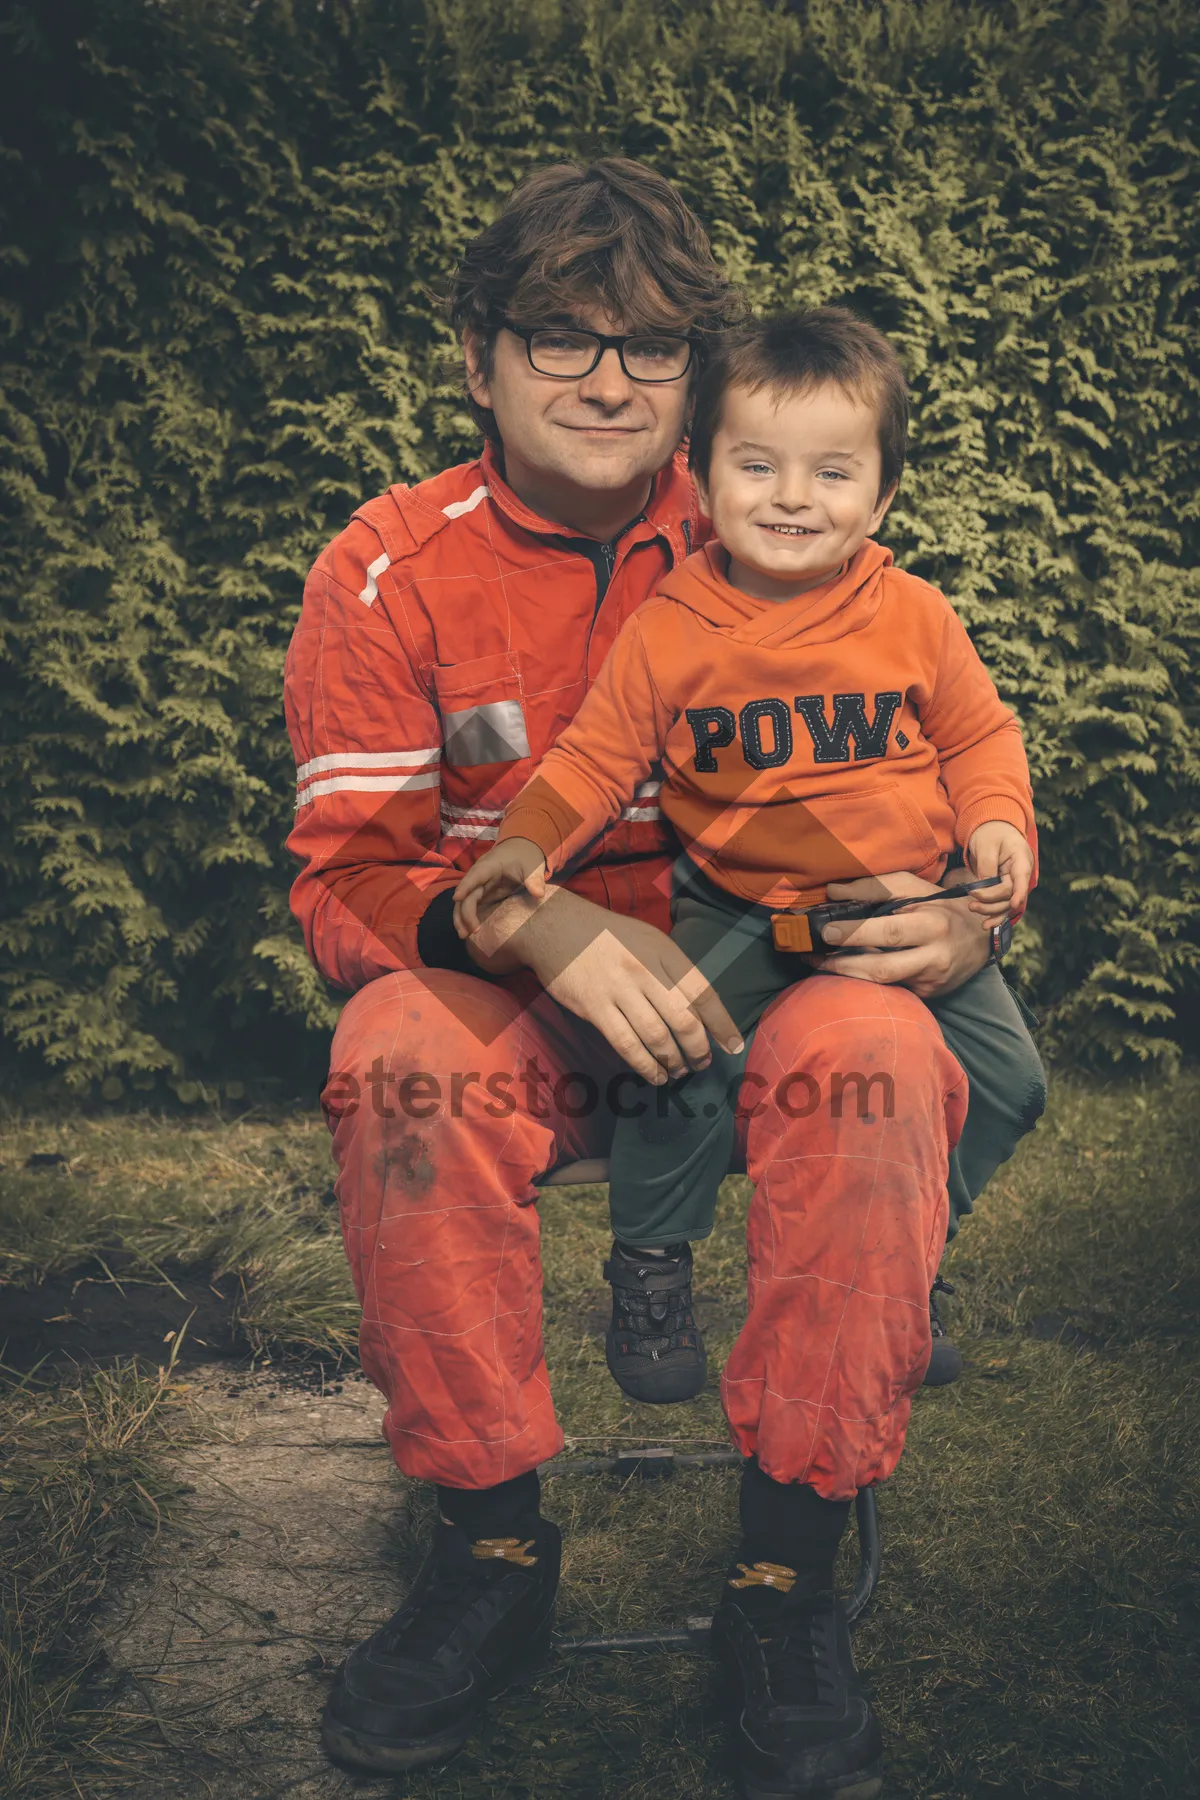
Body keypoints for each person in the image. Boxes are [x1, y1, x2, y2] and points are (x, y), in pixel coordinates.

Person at [284, 159, 1047, 1797]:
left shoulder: (780, 503)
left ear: (700, 378)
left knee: (887, 1058)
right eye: (561, 338)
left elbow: (954, 738)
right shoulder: (386, 571)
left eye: (648, 345)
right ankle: (488, 1553)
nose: (608, 380)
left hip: (771, 982)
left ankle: (785, 1566)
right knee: (398, 1054)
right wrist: (543, 923)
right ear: (476, 356)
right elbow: (347, 877)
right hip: (532, 1014)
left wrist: (973, 916)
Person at [453, 306, 1041, 1421]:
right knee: (677, 1064)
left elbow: (978, 737)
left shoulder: (914, 616)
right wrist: (521, 852)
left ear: (882, 496)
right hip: (738, 909)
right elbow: (588, 763)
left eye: (832, 473)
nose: (789, 496)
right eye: (757, 464)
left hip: (901, 921)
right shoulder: (675, 628)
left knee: (1013, 1084)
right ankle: (651, 1270)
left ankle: (907, 1259)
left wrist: (1000, 826)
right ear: (702, 473)